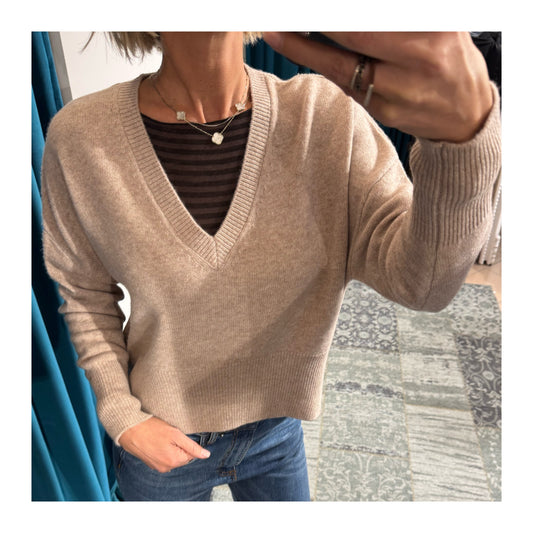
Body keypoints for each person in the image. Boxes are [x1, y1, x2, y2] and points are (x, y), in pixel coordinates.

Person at [40, 31, 501, 501]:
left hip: (276, 432)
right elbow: (83, 293)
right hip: (159, 433)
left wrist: (459, 147)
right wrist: (123, 416)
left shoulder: (323, 118)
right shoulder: (84, 137)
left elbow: (423, 284)